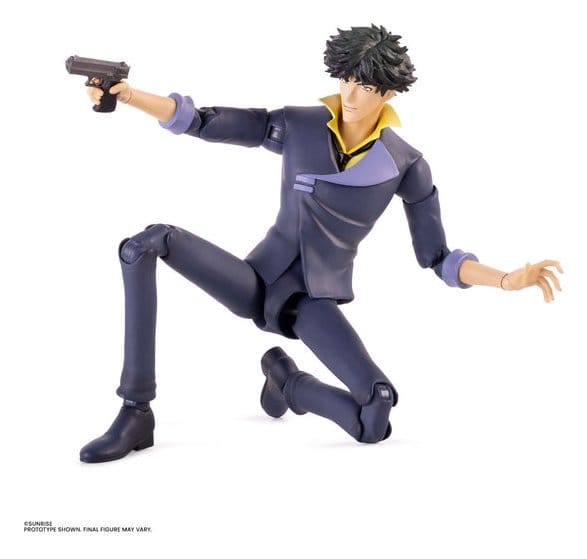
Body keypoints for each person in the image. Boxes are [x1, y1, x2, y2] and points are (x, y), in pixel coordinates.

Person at [78, 25, 562, 463]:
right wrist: (129, 95)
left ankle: (288, 383)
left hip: (313, 299)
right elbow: (204, 120)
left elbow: (437, 257)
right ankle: (136, 410)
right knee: (145, 244)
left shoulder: (406, 165)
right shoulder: (300, 124)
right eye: (346, 78)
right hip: (255, 280)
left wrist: (506, 279)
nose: (350, 93)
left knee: (376, 412)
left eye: (365, 85)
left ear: (388, 92)